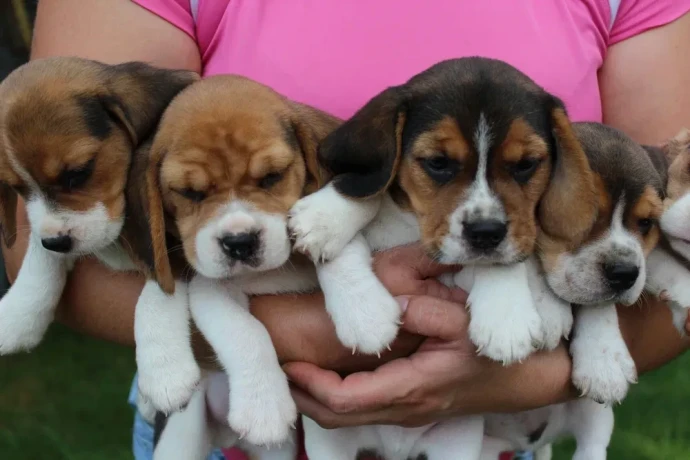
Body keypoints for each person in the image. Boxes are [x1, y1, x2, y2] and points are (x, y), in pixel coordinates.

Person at [5, 0, 690, 459]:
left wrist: (535, 379)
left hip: (494, 432)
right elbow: (65, 222)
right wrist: (310, 341)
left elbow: (670, 233)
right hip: (237, 420)